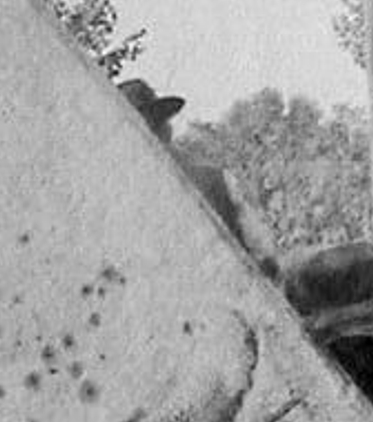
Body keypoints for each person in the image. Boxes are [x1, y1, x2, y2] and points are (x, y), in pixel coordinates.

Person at [117, 79, 281, 279]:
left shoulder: (209, 179)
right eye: (159, 119)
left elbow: (255, 254)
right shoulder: (210, 179)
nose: (165, 127)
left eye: (161, 119)